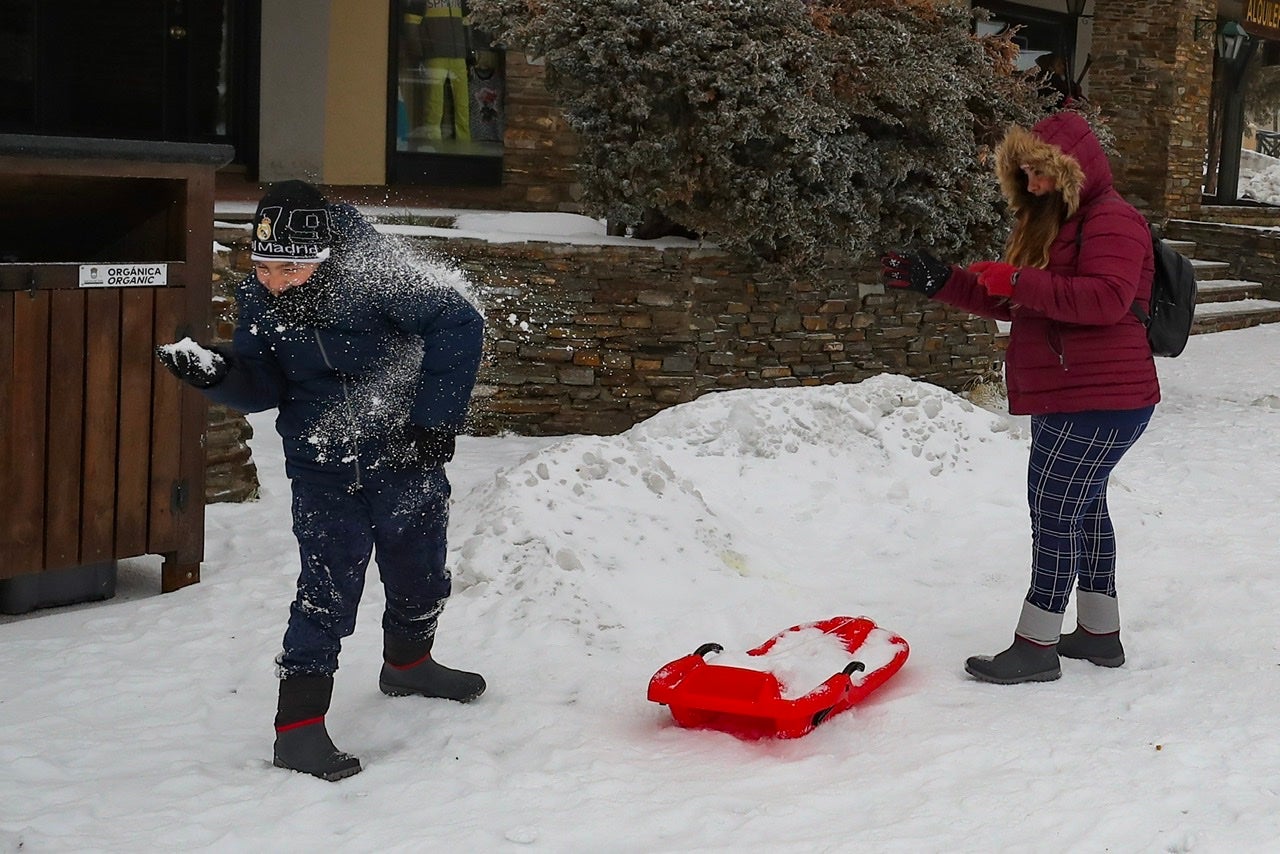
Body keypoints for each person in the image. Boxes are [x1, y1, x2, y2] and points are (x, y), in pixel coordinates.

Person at [156, 180, 486, 779]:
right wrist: (217, 374)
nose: (272, 281)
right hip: (320, 464)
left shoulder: (375, 272)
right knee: (326, 586)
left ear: (323, 255)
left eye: (288, 268)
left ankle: (408, 666)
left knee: (421, 571)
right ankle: (298, 730)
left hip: (402, 452)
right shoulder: (261, 297)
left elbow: (459, 323)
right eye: (262, 267)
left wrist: (435, 423)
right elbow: (264, 385)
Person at [881, 111, 1159, 685]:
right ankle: (1100, 635)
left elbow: (1107, 299)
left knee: (1054, 511)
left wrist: (1019, 280)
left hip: (1102, 396)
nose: (1032, 186)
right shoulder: (1054, 224)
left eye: (1041, 173)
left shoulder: (1114, 220)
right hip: (1072, 392)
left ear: (1071, 170)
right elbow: (1015, 303)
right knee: (1082, 508)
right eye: (1024, 174)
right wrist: (939, 279)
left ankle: (1036, 644)